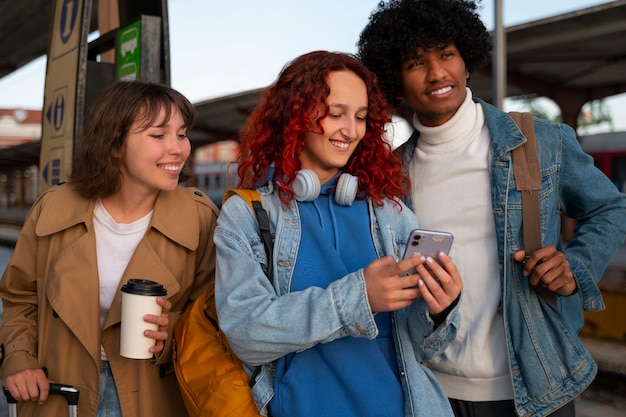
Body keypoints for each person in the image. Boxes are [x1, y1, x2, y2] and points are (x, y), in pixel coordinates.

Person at [357, 1, 626, 417]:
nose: (436, 73)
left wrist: (575, 268)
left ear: (466, 61)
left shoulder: (540, 141)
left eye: (446, 54)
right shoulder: (391, 174)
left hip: (537, 388)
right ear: (397, 80)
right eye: (415, 62)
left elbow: (610, 208)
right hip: (431, 392)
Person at [213, 50, 463, 417]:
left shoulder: (391, 214)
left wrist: (440, 310)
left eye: (361, 117)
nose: (351, 130)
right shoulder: (247, 215)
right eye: (335, 114)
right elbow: (246, 335)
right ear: (295, 116)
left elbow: (424, 348)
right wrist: (358, 296)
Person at [0, 80, 219, 417]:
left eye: (181, 133)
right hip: (60, 393)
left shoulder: (200, 218)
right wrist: (17, 358)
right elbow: (20, 299)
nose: (179, 148)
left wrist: (171, 329)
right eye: (159, 136)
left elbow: (215, 315)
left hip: (154, 395)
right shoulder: (53, 208)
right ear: (114, 144)